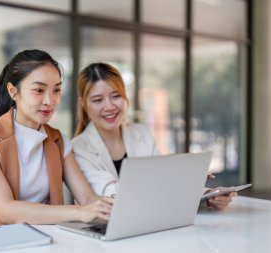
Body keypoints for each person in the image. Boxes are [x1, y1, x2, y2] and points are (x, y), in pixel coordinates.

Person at [0, 50, 113, 231]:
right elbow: (5, 210)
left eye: (56, 90)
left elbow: (87, 198)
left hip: (47, 242)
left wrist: (119, 206)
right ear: (13, 91)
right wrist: (79, 212)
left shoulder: (58, 141)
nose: (50, 101)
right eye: (39, 90)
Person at [72, 62, 236, 211]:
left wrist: (207, 195)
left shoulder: (142, 133)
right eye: (97, 100)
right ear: (83, 104)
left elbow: (161, 182)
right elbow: (113, 194)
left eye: (116, 96)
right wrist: (175, 176)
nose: (109, 107)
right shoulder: (77, 149)